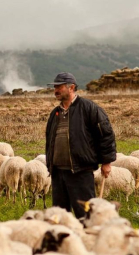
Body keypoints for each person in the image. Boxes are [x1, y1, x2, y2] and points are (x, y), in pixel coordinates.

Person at [44, 72, 116, 218]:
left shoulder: (89, 109)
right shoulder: (55, 114)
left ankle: (86, 239)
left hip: (80, 172)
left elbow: (106, 135)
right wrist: (50, 165)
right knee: (59, 217)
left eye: (59, 87)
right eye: (55, 87)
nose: (56, 90)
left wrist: (106, 161)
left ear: (71, 88)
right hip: (58, 173)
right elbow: (49, 140)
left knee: (84, 215)